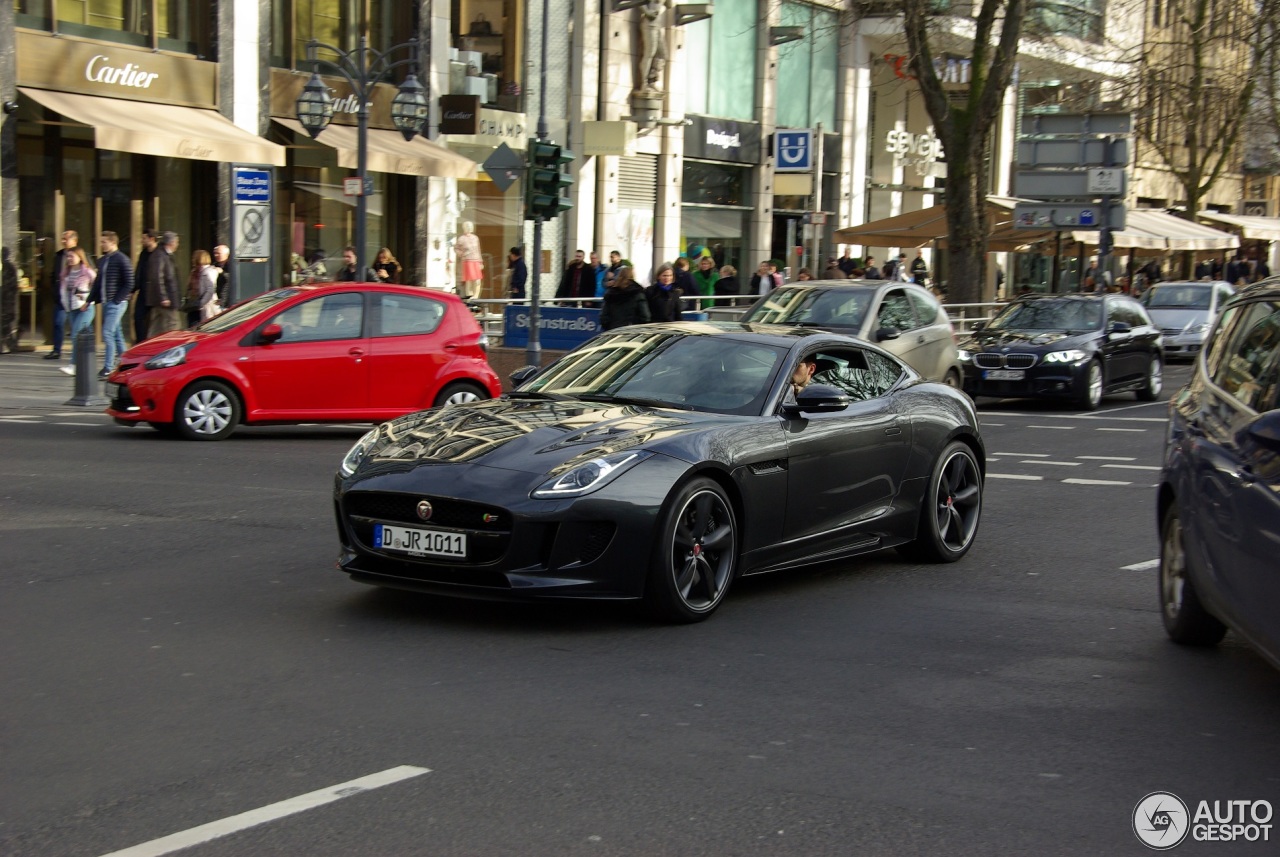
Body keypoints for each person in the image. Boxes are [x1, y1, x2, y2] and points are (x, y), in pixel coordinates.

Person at [92, 231, 134, 376]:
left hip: (116, 302)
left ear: (113, 242)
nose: (101, 244)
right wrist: (90, 300)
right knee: (116, 334)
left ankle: (108, 367)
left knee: (107, 332)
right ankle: (126, 364)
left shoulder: (122, 259)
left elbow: (129, 282)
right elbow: (98, 283)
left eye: (104, 242)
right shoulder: (103, 260)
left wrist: (117, 299)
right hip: (106, 301)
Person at [59, 246, 97, 376]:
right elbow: (63, 290)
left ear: (79, 257)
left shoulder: (87, 271)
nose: (69, 259)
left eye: (72, 256)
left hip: (85, 308)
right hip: (71, 309)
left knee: (75, 334)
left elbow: (97, 286)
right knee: (86, 337)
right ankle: (88, 365)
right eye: (68, 256)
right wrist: (65, 305)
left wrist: (87, 297)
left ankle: (73, 365)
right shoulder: (66, 272)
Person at [44, 230, 78, 361]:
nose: (63, 241)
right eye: (63, 239)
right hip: (61, 297)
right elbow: (54, 275)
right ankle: (56, 350)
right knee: (58, 323)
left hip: (75, 298)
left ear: (74, 241)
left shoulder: (81, 254)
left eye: (66, 239)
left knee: (76, 327)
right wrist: (55, 290)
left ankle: (78, 353)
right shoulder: (58, 255)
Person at [146, 231, 181, 338]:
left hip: (162, 298)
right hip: (166, 299)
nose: (177, 245)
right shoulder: (160, 255)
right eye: (176, 242)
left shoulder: (163, 254)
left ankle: (150, 349)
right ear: (171, 243)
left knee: (157, 326)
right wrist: (163, 297)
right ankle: (171, 349)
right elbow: (157, 277)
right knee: (173, 324)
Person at [599, 265, 651, 330]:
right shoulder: (638, 293)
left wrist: (609, 328)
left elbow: (604, 317)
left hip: (613, 331)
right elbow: (645, 317)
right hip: (632, 331)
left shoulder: (610, 293)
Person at [638, 0, 670, 91]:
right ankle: (644, 83)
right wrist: (647, 12)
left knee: (662, 54)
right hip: (649, 24)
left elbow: (670, 5)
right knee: (650, 53)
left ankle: (652, 80)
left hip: (657, 25)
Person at [132, 229, 157, 344]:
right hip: (143, 292)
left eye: (144, 238)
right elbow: (139, 272)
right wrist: (133, 289)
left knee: (154, 321)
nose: (142, 241)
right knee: (138, 318)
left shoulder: (159, 254)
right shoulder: (143, 253)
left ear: (151, 239)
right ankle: (141, 342)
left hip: (155, 292)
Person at [185, 249, 220, 327]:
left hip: (205, 306)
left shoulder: (209, 272)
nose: (193, 259)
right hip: (194, 306)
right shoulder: (194, 272)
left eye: (194, 257)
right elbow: (189, 287)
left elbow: (210, 290)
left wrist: (201, 303)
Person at [454, 221, 483, 298]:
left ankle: (476, 295)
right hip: (467, 261)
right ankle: (469, 296)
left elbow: (478, 250)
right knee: (469, 280)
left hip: (476, 260)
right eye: (467, 226)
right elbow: (456, 248)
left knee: (477, 280)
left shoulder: (475, 238)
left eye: (470, 226)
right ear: (464, 228)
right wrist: (461, 254)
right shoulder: (461, 238)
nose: (469, 228)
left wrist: (480, 262)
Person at [1, 246, 19, 354]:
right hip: (6, 300)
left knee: (5, 323)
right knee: (5, 325)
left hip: (7, 301)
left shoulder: (9, 267)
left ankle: (11, 346)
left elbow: (12, 285)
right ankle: (11, 345)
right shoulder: (5, 267)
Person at [211, 244, 232, 308]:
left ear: (226, 254)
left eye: (218, 253)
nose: (216, 255)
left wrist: (222, 272)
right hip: (216, 298)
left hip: (227, 299)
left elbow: (233, 279)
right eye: (215, 253)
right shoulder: (214, 265)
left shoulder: (231, 265)